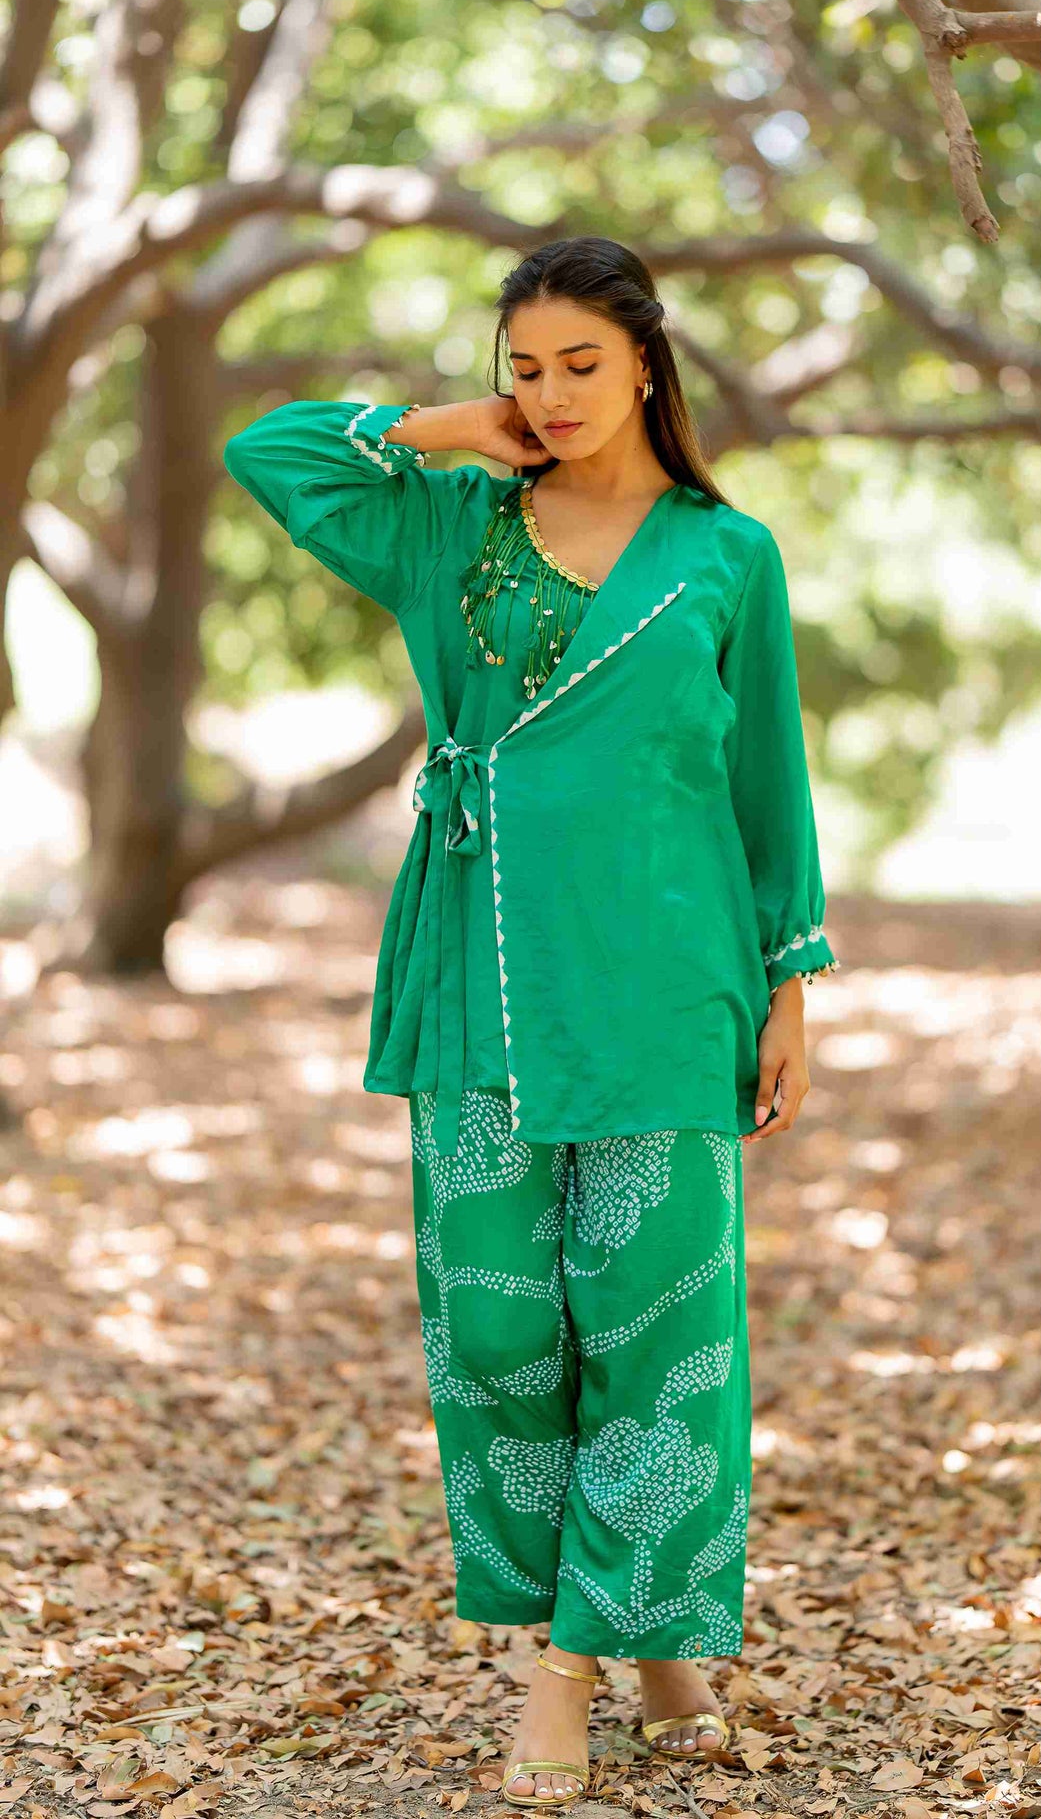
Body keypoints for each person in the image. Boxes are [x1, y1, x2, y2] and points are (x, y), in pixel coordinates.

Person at [223, 234, 837, 1808]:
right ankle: (653, 1647)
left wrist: (790, 984)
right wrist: (440, 427)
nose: (551, 395)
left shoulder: (726, 554)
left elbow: (765, 782)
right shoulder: (451, 522)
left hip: (665, 982)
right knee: (497, 1334)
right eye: (524, 368)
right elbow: (267, 452)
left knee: (657, 1333)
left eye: (581, 364)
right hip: (482, 970)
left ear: (645, 365)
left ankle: (567, 1670)